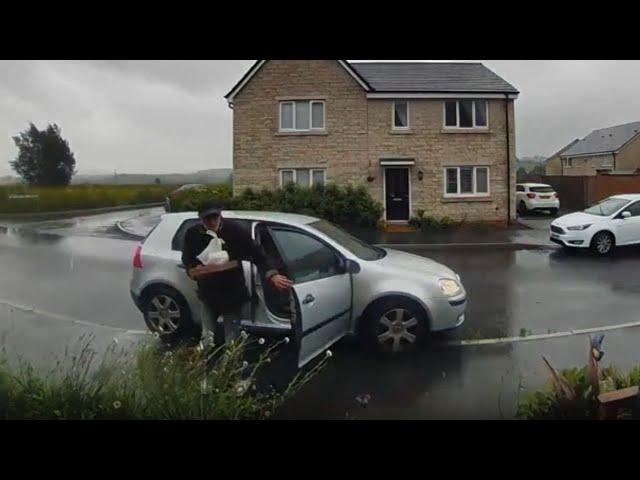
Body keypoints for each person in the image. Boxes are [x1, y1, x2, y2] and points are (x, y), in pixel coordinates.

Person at [181, 201, 293, 344]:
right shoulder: (192, 234)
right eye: (207, 219)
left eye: (215, 217)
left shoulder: (234, 230)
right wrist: (192, 271)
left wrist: (273, 274)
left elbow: (258, 254)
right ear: (201, 219)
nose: (212, 221)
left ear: (220, 215)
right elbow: (187, 260)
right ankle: (205, 362)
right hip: (208, 294)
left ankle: (230, 363)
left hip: (232, 294)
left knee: (232, 339)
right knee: (206, 338)